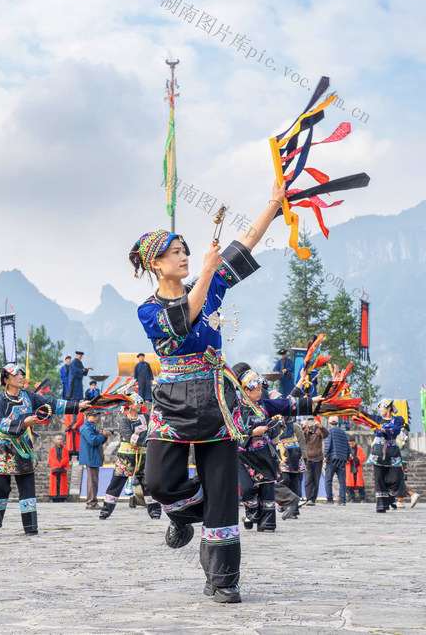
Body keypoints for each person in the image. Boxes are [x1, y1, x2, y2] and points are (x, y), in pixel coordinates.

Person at [129, 178, 284, 603]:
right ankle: (182, 516)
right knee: (158, 482)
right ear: (156, 264)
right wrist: (208, 272)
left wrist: (274, 204)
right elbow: (182, 319)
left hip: (217, 402)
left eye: (185, 250)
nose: (185, 256)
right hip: (171, 405)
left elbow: (245, 241)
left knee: (222, 493)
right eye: (175, 252)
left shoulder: (211, 283)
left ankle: (223, 579)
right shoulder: (149, 310)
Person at [0, 364, 86, 535]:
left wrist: (78, 406)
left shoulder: (28, 396)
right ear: (6, 379)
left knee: (27, 487)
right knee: (0, 485)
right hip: (3, 447)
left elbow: (52, 403)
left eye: (21, 374)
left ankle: (30, 527)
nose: (21, 377)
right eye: (16, 375)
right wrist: (23, 423)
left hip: (23, 446)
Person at [233, 366, 315, 531]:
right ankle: (253, 512)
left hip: (263, 454)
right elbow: (232, 430)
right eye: (256, 389)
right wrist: (252, 433)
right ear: (245, 391)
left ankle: (267, 523)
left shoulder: (265, 405)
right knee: (247, 489)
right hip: (243, 457)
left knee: (267, 488)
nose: (259, 392)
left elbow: (287, 403)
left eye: (260, 388)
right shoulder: (235, 409)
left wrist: (313, 401)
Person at [100, 397, 161, 520]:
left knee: (148, 483)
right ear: (129, 405)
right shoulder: (123, 420)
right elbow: (129, 437)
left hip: (143, 456)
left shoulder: (145, 417)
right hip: (125, 457)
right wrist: (145, 440)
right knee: (116, 483)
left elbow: (154, 429)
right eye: (136, 402)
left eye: (140, 402)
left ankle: (155, 510)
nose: (139, 405)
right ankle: (106, 510)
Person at [363, 399, 405, 513]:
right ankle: (381, 505)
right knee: (379, 478)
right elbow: (365, 417)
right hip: (378, 451)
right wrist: (355, 410)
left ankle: (390, 498)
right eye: (380, 407)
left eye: (382, 407)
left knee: (396, 478)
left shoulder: (398, 420)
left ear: (389, 408)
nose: (380, 409)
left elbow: (395, 431)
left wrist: (382, 429)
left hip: (392, 451)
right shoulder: (376, 419)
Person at [79, 409, 112, 509]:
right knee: (93, 481)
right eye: (93, 416)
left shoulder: (91, 427)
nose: (95, 418)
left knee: (92, 481)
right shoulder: (87, 428)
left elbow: (99, 441)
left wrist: (104, 436)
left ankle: (90, 502)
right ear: (87, 417)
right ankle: (92, 502)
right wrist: (102, 435)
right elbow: (93, 441)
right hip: (91, 456)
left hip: (92, 456)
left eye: (96, 416)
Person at [322, 418, 349, 505]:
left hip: (332, 459)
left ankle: (329, 499)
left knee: (328, 480)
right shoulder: (342, 432)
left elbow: (328, 444)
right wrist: (347, 457)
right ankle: (342, 500)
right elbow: (347, 445)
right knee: (342, 481)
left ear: (329, 422)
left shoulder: (329, 431)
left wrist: (325, 455)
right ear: (337, 423)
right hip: (342, 459)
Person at [301, 418, 328, 505]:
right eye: (309, 421)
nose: (311, 423)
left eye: (312, 421)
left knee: (316, 480)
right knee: (308, 479)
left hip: (317, 459)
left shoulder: (318, 431)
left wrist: (321, 427)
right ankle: (309, 498)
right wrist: (304, 426)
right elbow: (299, 437)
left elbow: (326, 434)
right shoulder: (304, 431)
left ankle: (313, 498)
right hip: (307, 459)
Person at [47, 435, 70, 503]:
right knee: (54, 484)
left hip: (62, 469)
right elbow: (52, 459)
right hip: (55, 469)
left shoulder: (65, 449)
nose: (60, 441)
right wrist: (57, 466)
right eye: (58, 439)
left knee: (63, 484)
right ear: (55, 440)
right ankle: (53, 497)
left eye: (61, 439)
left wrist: (60, 465)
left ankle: (63, 497)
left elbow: (66, 459)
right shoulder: (52, 449)